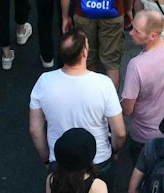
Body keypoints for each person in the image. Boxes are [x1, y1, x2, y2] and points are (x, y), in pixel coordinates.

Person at [29, 31, 126, 169]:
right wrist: (115, 151)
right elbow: (120, 132)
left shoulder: (44, 82)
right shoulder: (104, 83)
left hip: (60, 160)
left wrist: (47, 159)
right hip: (98, 159)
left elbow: (35, 130)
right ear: (85, 53)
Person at [120, 10, 164, 155]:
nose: (130, 33)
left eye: (137, 31)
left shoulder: (136, 65)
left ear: (153, 36)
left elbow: (127, 110)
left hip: (143, 136)